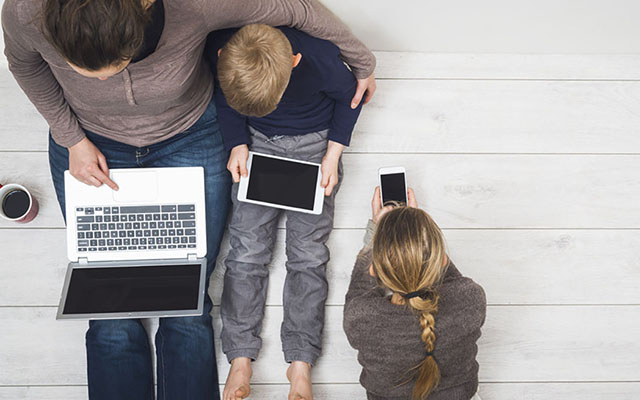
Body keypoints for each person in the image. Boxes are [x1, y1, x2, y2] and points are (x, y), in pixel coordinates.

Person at [1, 0, 376, 398]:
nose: (103, 82)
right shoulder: (25, 11)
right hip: (89, 144)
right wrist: (70, 137)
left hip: (190, 135)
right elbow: (25, 63)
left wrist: (364, 64)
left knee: (188, 299)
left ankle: (273, 361)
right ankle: (240, 358)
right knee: (110, 312)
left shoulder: (198, 4)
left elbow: (297, 9)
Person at [205, 24, 363, 400]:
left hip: (315, 147)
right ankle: (240, 358)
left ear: (295, 62)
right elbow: (226, 102)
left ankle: (300, 363)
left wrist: (332, 157)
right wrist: (237, 145)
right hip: (256, 145)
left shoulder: (319, 56)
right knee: (246, 252)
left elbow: (351, 99)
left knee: (308, 256)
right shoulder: (222, 51)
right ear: (224, 58)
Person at [343, 187, 486, 400]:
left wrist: (376, 230)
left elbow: (358, 293)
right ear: (442, 260)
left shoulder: (361, 316)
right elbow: (450, 277)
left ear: (373, 270)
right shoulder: (471, 298)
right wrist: (415, 235)